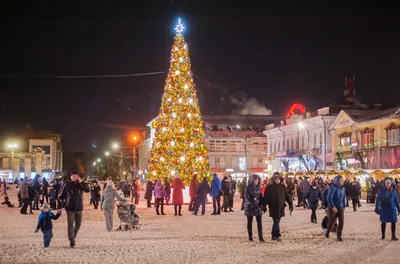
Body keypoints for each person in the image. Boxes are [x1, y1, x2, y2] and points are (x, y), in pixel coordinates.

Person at [58, 170, 90, 248]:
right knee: (70, 225)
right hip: (70, 208)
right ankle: (72, 241)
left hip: (79, 208)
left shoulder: (81, 184)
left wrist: (81, 182)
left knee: (78, 224)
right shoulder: (66, 185)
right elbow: (60, 196)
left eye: (76, 176)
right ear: (70, 176)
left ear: (78, 177)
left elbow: (87, 190)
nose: (75, 177)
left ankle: (73, 236)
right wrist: (60, 206)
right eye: (73, 176)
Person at [264, 172, 293, 242]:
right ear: (273, 180)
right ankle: (277, 235)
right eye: (276, 179)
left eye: (278, 179)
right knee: (276, 220)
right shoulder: (269, 187)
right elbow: (266, 197)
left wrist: (290, 204)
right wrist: (264, 205)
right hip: (273, 207)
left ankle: (274, 235)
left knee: (277, 221)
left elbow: (287, 196)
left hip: (281, 207)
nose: (277, 180)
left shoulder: (283, 187)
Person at [325, 175, 346, 242]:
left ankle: (339, 236)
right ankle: (327, 232)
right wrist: (333, 206)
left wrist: (344, 206)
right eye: (341, 180)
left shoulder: (343, 188)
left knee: (341, 221)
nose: (342, 182)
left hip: (340, 207)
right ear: (337, 181)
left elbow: (343, 198)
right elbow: (329, 198)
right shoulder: (333, 187)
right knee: (332, 221)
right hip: (333, 208)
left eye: (343, 180)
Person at [244, 174, 265, 242]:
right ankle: (250, 236)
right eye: (255, 180)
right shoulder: (248, 187)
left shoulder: (259, 187)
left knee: (259, 222)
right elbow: (247, 197)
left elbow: (261, 196)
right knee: (249, 222)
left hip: (258, 206)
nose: (256, 181)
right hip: (250, 207)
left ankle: (260, 237)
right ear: (252, 180)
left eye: (257, 180)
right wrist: (253, 202)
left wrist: (262, 204)